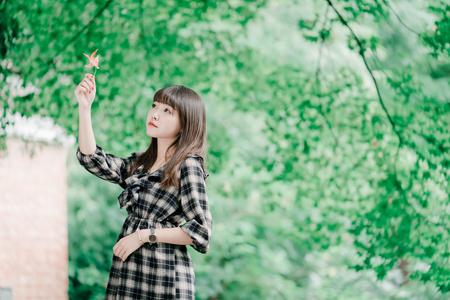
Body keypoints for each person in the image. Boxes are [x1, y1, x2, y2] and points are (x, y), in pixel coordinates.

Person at [74, 73, 212, 299]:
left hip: (164, 274)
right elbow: (93, 159)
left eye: (167, 111)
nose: (155, 114)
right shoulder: (141, 164)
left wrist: (143, 235)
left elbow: (201, 232)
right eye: (154, 106)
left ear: (185, 124)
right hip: (130, 270)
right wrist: (84, 109)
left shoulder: (188, 166)